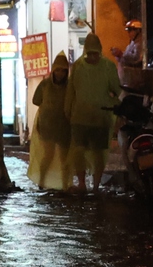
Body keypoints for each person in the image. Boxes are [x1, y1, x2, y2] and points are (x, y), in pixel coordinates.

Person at [63, 32, 123, 192]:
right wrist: (67, 110)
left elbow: (117, 90)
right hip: (80, 116)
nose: (93, 57)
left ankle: (95, 185)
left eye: (95, 53)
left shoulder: (107, 67)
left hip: (100, 117)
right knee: (78, 151)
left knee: (98, 153)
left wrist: (119, 106)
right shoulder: (78, 67)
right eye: (90, 53)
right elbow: (71, 91)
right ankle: (82, 182)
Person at [27, 53, 72, 190]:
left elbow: (37, 100)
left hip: (64, 126)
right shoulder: (46, 84)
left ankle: (65, 185)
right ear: (53, 70)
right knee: (48, 155)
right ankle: (42, 182)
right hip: (48, 126)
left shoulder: (69, 86)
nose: (60, 73)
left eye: (63, 70)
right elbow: (36, 100)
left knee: (65, 157)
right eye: (58, 70)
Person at [118, 19, 147, 90]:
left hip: (136, 82)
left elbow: (137, 58)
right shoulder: (132, 43)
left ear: (138, 31)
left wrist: (121, 54)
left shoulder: (140, 44)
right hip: (129, 82)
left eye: (130, 30)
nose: (129, 33)